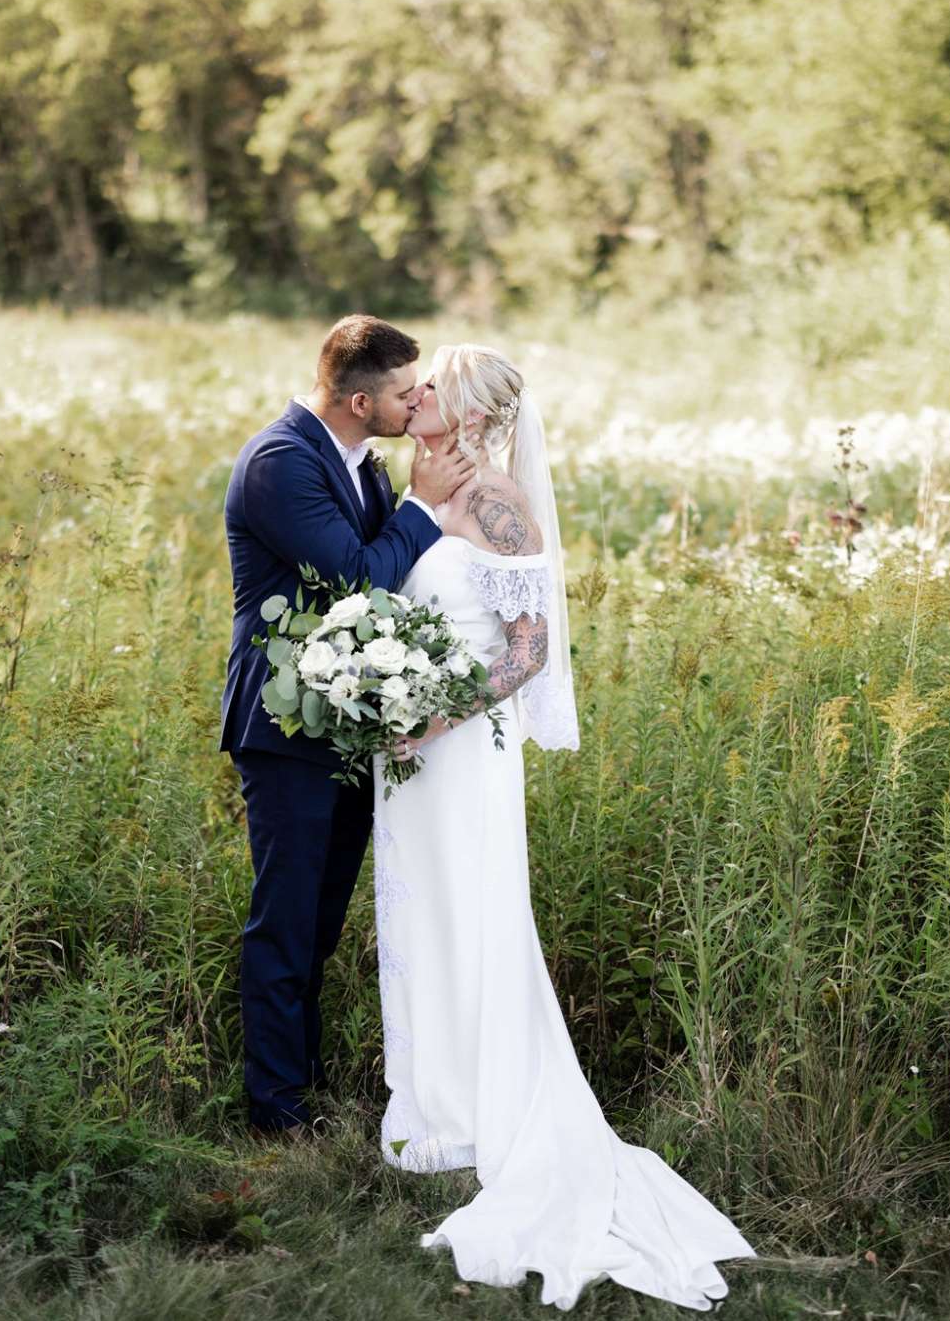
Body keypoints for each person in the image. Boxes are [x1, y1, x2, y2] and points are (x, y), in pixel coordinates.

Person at [371, 344, 756, 1310]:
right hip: (414, 755)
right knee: (427, 917)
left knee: (479, 913)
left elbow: (528, 654)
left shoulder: (500, 503)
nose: (414, 398)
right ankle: (438, 1112)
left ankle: (489, 1108)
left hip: (463, 749)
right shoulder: (420, 484)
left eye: (430, 389)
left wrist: (436, 715)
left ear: (465, 409)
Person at [220, 315, 475, 1135]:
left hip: (346, 722)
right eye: (407, 392)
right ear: (361, 400)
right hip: (284, 727)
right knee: (287, 919)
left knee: (321, 920)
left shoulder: (361, 465)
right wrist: (425, 507)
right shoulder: (279, 464)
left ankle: (303, 1082)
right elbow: (361, 581)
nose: (420, 400)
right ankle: (274, 1111)